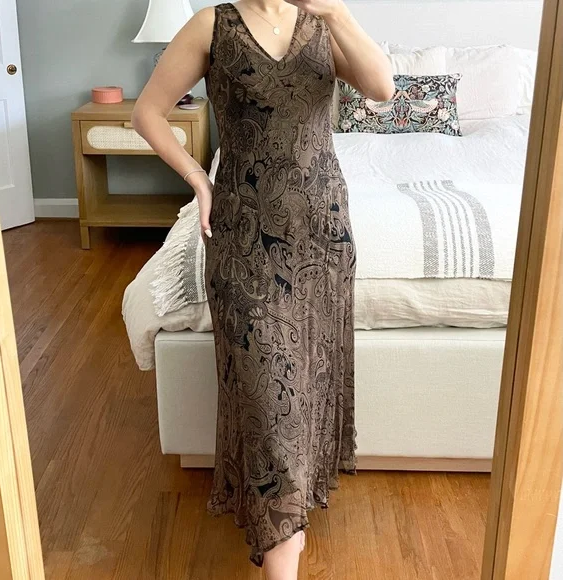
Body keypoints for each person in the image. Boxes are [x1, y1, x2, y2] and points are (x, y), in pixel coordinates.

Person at [132, 1, 393, 577]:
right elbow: (147, 113)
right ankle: (284, 547)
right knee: (267, 397)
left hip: (321, 233)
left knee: (305, 384)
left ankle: (289, 518)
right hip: (243, 236)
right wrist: (198, 178)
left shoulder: (324, 25)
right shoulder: (212, 25)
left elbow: (382, 88)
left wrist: (337, 12)